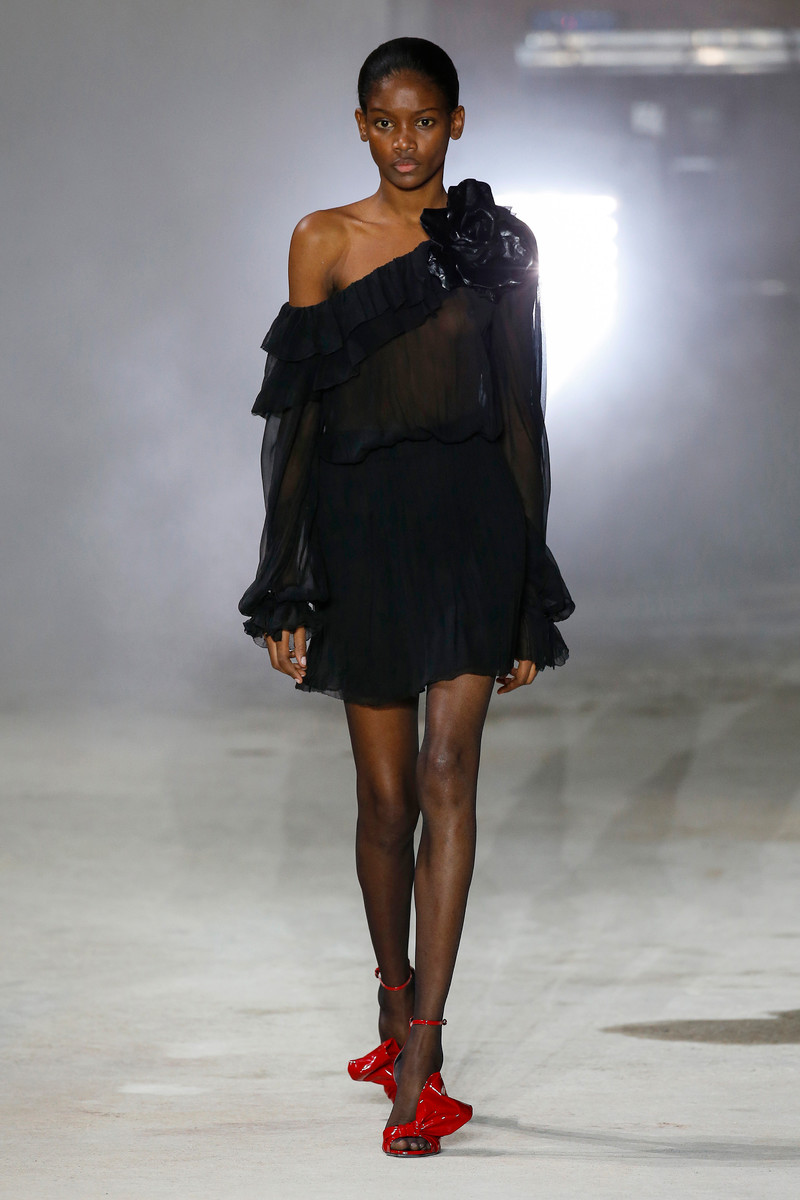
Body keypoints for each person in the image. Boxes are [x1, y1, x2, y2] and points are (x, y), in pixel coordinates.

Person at [238, 37, 574, 1157]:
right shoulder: (322, 241)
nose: (403, 143)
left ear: (456, 123)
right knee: (384, 801)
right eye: (384, 122)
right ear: (360, 126)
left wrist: (527, 588)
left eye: (423, 120)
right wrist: (286, 584)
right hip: (361, 531)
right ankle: (393, 1002)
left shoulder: (495, 245)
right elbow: (297, 420)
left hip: (473, 524)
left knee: (446, 775)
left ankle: (423, 1057)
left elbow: (520, 413)